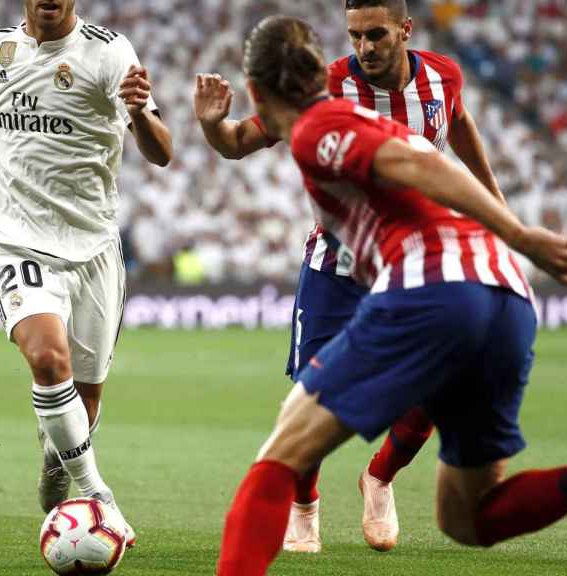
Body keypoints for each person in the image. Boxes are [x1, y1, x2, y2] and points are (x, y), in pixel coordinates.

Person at [216, 15, 567, 576]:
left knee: (280, 454)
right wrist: (512, 243)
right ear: (324, 67)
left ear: (254, 90)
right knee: (469, 518)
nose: (366, 47)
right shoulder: (357, 111)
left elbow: (418, 161)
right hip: (505, 296)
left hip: (434, 285)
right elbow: (424, 150)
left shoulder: (318, 129)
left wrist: (520, 232)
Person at [194, 0, 504, 552]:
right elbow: (240, 142)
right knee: (311, 396)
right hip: (336, 265)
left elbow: (456, 121)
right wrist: (213, 125)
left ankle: (379, 478)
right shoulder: (326, 84)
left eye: (377, 35)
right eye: (356, 35)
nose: (365, 48)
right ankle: (303, 505)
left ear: (405, 30)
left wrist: (492, 200)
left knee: (433, 393)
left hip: (416, 266)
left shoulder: (443, 77)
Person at [0, 0, 172, 547]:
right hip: (16, 236)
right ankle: (97, 493)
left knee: (87, 395)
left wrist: (142, 112)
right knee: (49, 359)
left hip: (94, 242)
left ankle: (60, 457)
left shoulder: (108, 53)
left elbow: (161, 152)